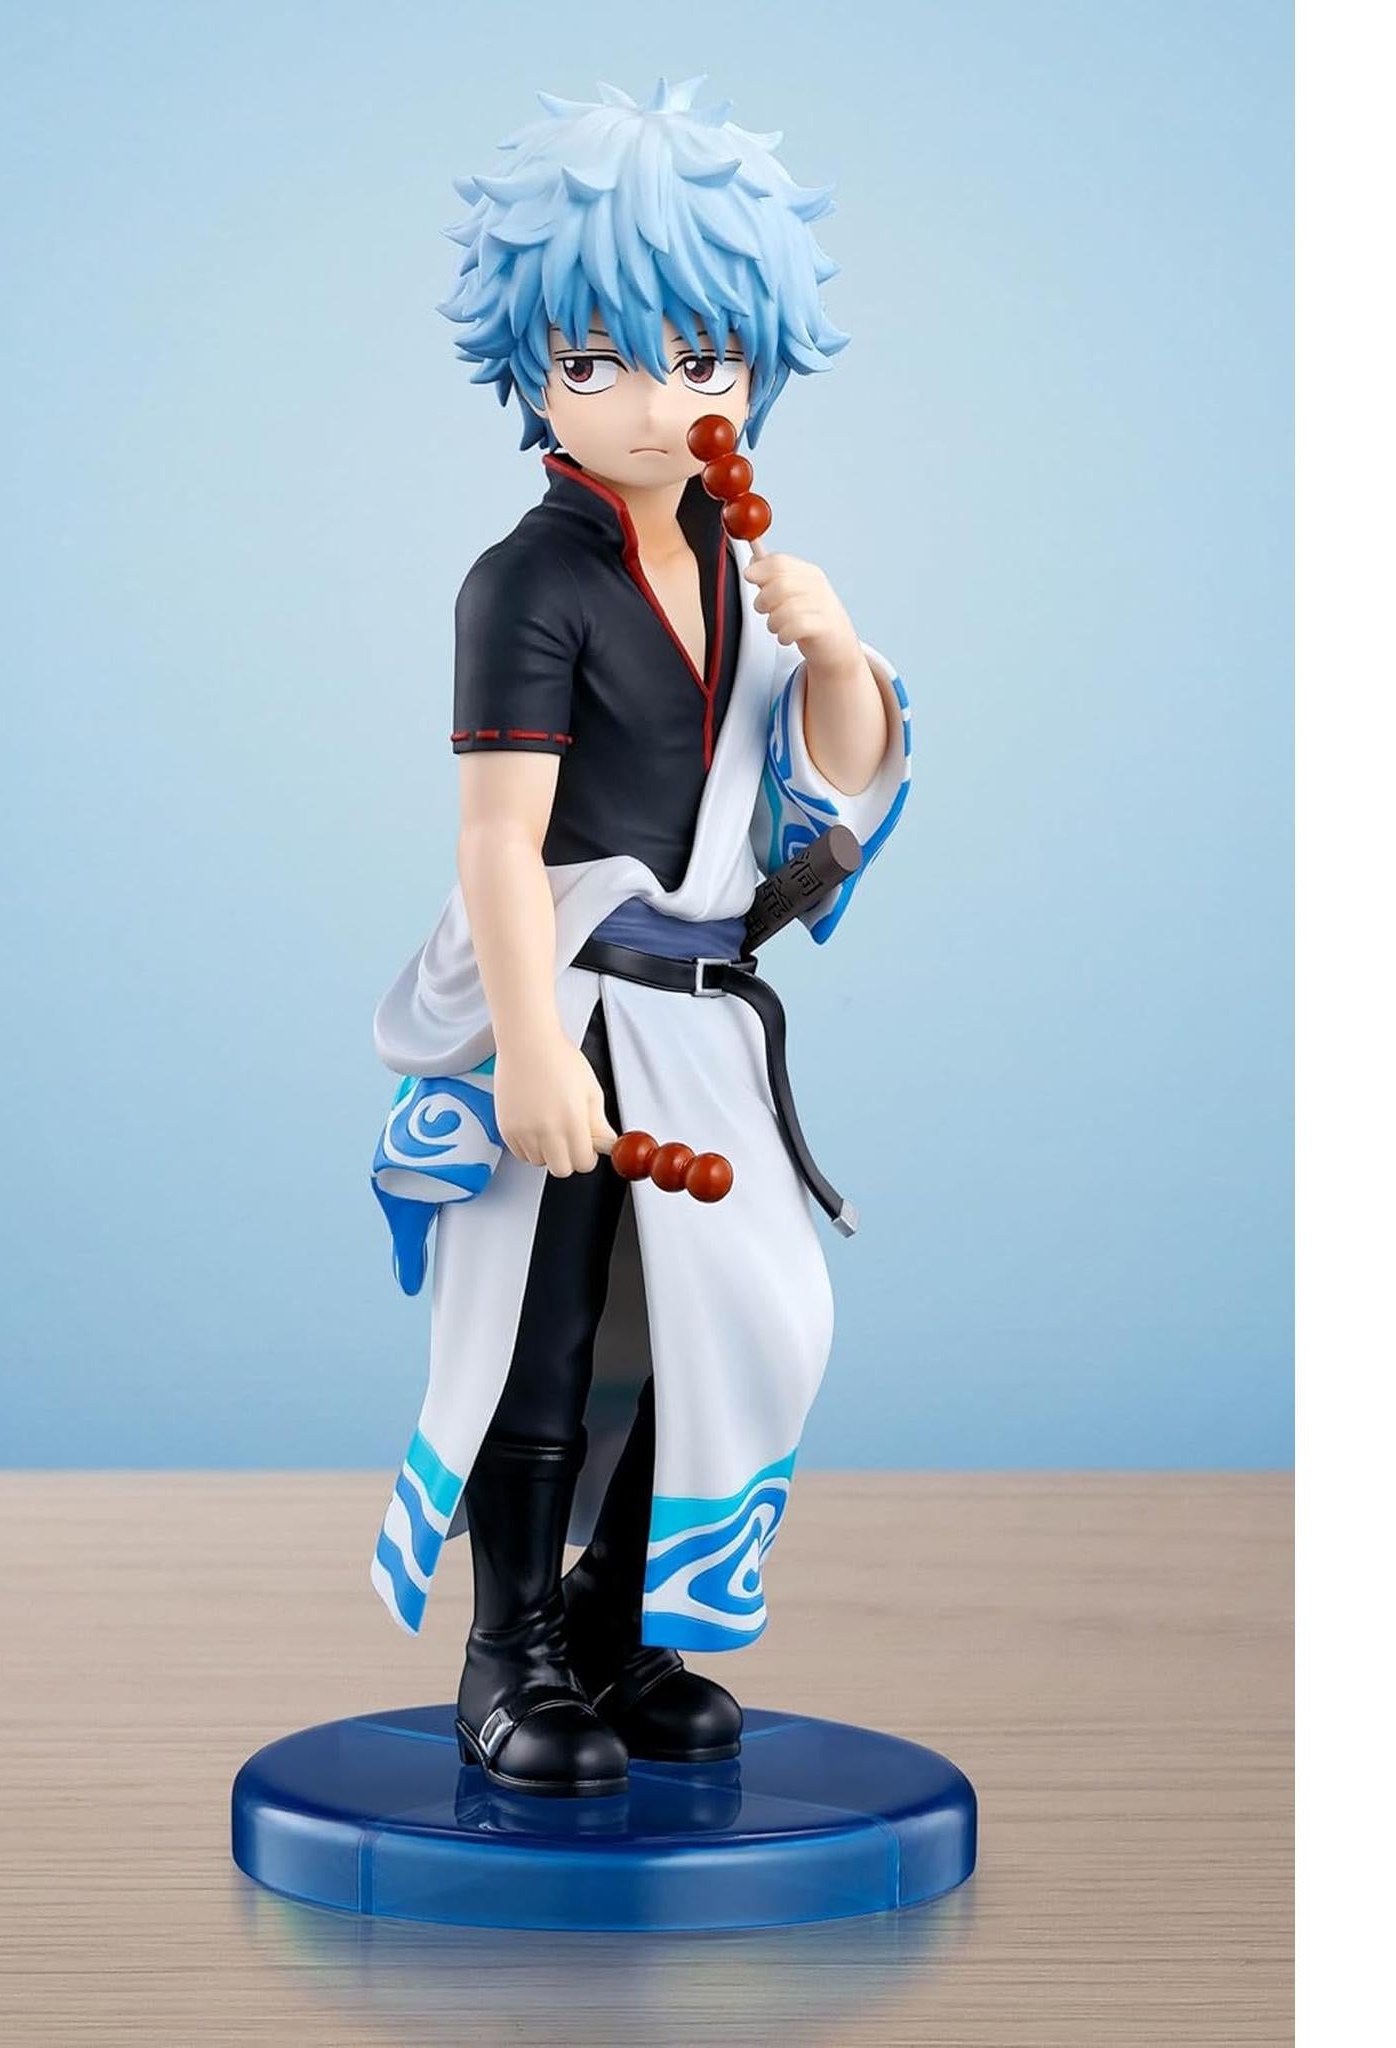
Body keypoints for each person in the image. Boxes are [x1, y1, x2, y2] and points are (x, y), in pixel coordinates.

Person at [366, 79, 914, 1798]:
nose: (662, 404)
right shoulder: (528, 584)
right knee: (548, 1332)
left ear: (757, 366)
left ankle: (618, 1617)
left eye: (704, 358)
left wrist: (837, 659)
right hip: (581, 1003)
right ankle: (512, 1650)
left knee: (735, 1321)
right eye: (600, 360)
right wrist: (532, 1045)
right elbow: (497, 839)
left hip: (702, 1025)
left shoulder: (743, 570)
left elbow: (822, 790)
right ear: (534, 371)